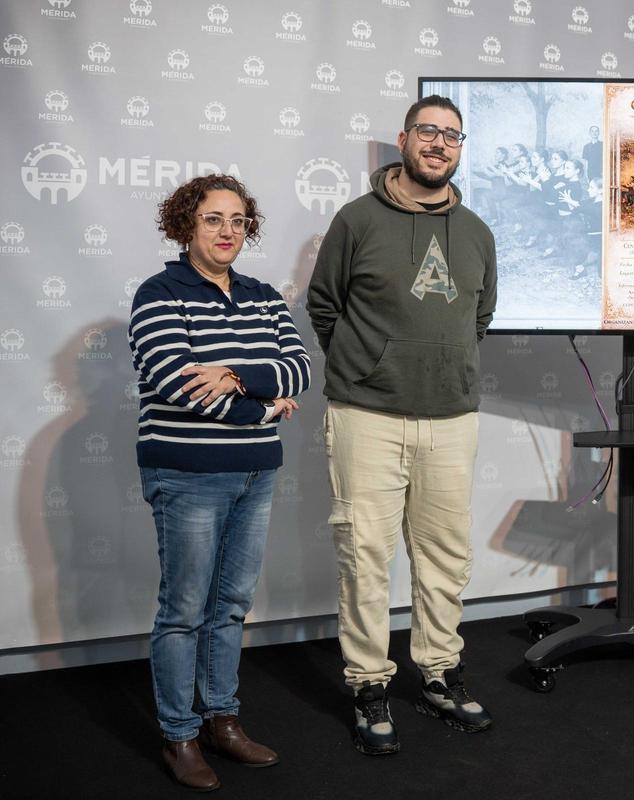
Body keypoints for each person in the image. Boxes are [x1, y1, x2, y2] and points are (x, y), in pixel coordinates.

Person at [307, 95, 498, 755]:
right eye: (428, 132)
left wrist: (441, 371)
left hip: (452, 417)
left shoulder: (475, 231)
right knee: (364, 557)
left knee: (446, 555)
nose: (439, 143)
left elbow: (480, 316)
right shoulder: (356, 220)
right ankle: (368, 683)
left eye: (451, 134)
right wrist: (372, 369)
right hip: (367, 416)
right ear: (404, 140)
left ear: (459, 147)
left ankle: (441, 672)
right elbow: (324, 305)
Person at [129, 174, 309, 791]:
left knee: (230, 606)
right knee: (183, 610)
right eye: (213, 219)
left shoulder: (261, 295)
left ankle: (221, 719)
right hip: (187, 476)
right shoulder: (159, 294)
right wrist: (261, 406)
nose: (228, 230)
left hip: (256, 474)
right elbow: (178, 384)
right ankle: (179, 734)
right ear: (186, 226)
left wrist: (232, 370)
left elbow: (300, 368)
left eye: (237, 220)